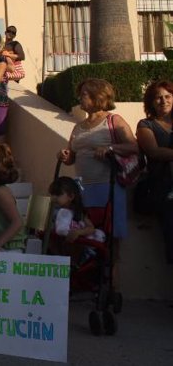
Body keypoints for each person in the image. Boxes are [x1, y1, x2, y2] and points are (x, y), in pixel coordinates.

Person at [57, 78, 138, 281]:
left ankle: (111, 289)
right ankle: (89, 282)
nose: (80, 98)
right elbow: (72, 157)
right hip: (84, 190)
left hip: (107, 187)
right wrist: (65, 156)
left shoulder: (114, 121)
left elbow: (134, 147)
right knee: (85, 237)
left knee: (110, 242)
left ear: (97, 96)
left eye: (84, 94)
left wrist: (110, 149)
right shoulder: (78, 127)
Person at [136, 80, 173, 263]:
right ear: (151, 102)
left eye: (168, 96)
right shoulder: (146, 125)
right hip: (164, 188)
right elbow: (154, 152)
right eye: (158, 97)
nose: (163, 101)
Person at [49, 176, 105, 261]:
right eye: (52, 194)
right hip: (59, 248)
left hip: (76, 248)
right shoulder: (54, 211)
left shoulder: (78, 212)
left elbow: (91, 228)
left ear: (71, 196)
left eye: (58, 194)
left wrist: (78, 232)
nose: (54, 198)